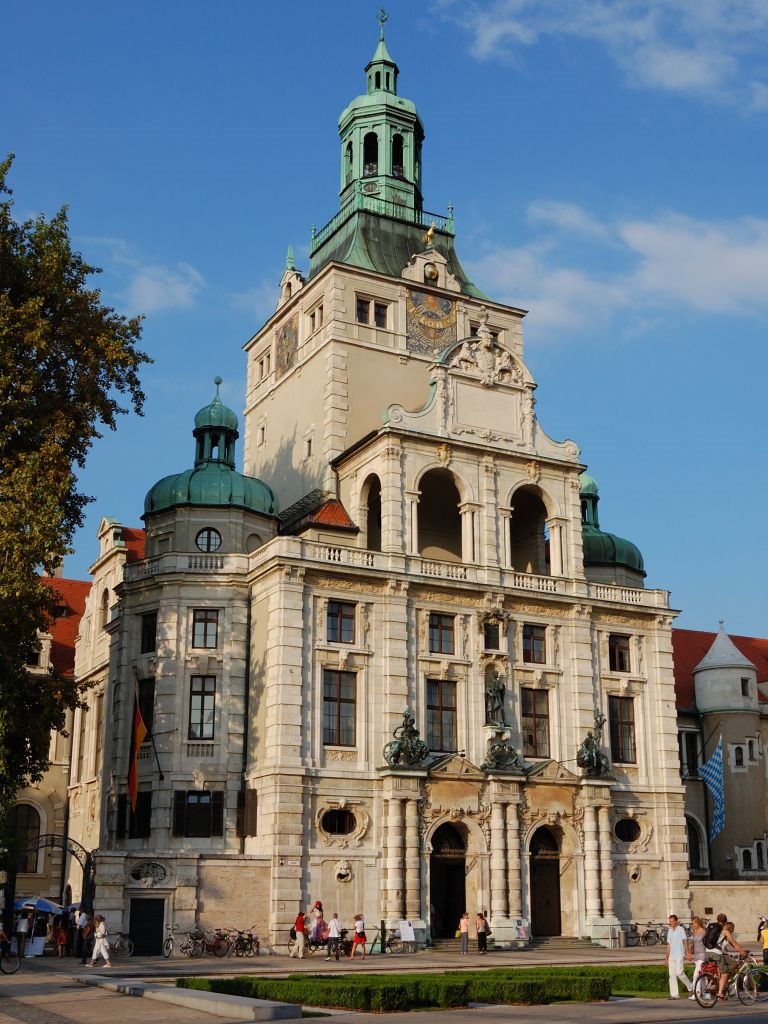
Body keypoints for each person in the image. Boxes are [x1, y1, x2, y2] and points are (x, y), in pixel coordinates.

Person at [715, 920, 747, 999]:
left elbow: (733, 944)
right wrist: (742, 952)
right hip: (718, 953)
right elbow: (734, 943)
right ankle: (721, 990)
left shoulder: (721, 932)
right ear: (731, 928)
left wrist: (742, 949)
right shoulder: (726, 932)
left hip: (714, 952)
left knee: (731, 966)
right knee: (734, 966)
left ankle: (725, 985)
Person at [664, 914, 693, 999]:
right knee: (672, 975)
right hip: (671, 956)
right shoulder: (669, 931)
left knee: (679, 972)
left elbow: (685, 941)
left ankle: (690, 986)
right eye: (670, 921)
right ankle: (674, 994)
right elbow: (668, 944)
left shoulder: (681, 929)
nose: (671, 923)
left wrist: (687, 953)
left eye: (672, 921)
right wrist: (666, 957)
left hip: (680, 954)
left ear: (676, 921)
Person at [689, 915, 707, 1000]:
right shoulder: (694, 931)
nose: (693, 925)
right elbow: (692, 943)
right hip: (696, 955)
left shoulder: (703, 931)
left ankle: (697, 994)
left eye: (694, 923)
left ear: (698, 923)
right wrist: (689, 951)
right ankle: (706, 992)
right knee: (702, 976)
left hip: (703, 954)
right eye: (692, 924)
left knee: (696, 975)